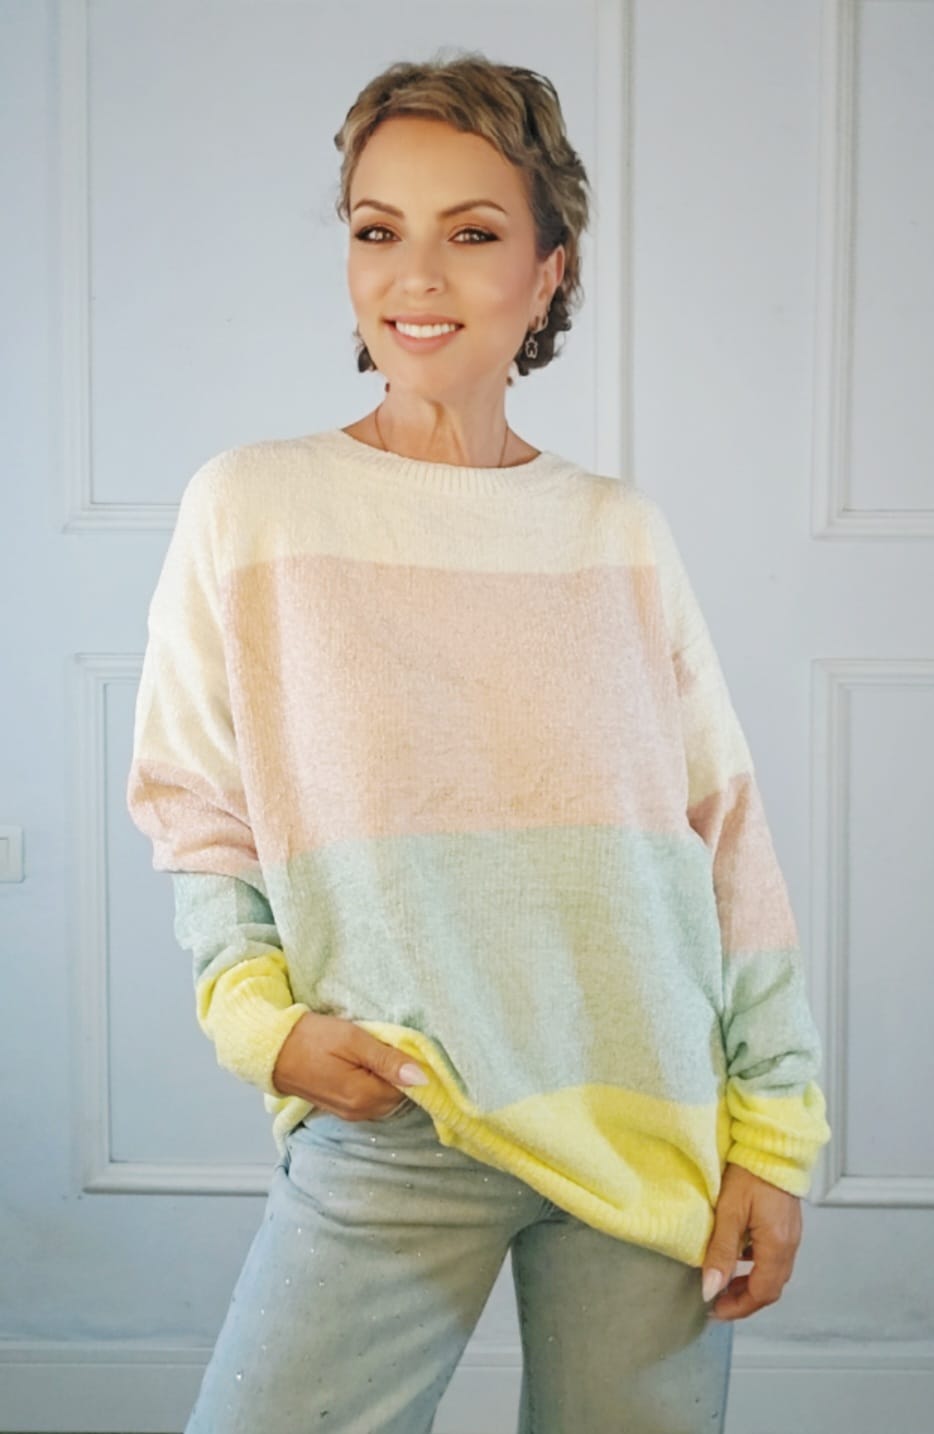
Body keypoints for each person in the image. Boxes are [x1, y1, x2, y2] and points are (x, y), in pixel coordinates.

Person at [126, 51, 831, 1433]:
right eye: (377, 229)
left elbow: (722, 833)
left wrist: (774, 1130)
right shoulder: (253, 507)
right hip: (399, 1110)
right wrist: (261, 1024)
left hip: (645, 1116)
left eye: (471, 233)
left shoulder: (618, 532)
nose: (415, 277)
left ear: (548, 270)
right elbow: (195, 802)